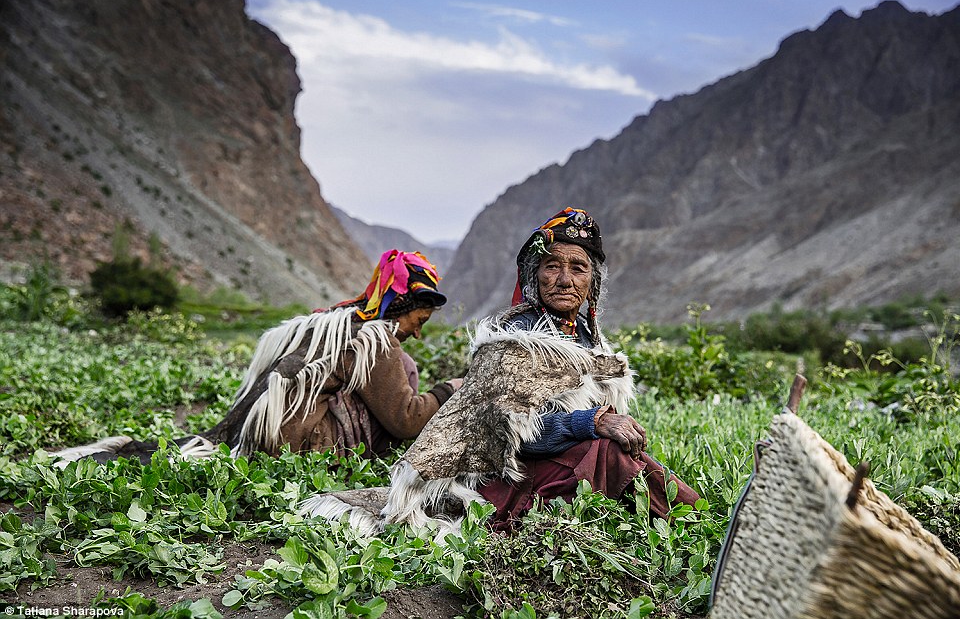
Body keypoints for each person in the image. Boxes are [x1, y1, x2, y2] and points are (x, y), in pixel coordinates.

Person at [52, 249, 461, 465]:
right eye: (418, 319)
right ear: (399, 304)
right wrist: (454, 388)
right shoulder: (375, 339)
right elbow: (406, 419)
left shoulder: (331, 323)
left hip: (261, 434)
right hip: (296, 446)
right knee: (405, 375)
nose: (418, 331)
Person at [477, 207, 700, 530]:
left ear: (592, 282)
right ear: (534, 275)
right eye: (552, 266)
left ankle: (693, 517)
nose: (565, 280)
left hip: (569, 466)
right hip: (513, 477)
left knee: (617, 452)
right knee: (607, 451)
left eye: (578, 268)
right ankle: (694, 521)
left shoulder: (587, 337)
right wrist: (592, 421)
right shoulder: (514, 338)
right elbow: (513, 435)